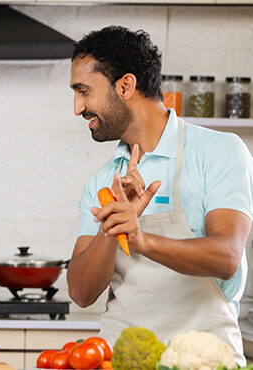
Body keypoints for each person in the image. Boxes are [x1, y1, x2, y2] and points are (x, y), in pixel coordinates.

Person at [66, 25, 253, 364]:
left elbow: (226, 257)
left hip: (205, 360)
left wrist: (140, 239)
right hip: (120, 359)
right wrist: (111, 230)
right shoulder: (102, 182)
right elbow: (80, 292)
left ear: (125, 85)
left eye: (83, 91)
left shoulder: (219, 151)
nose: (78, 108)